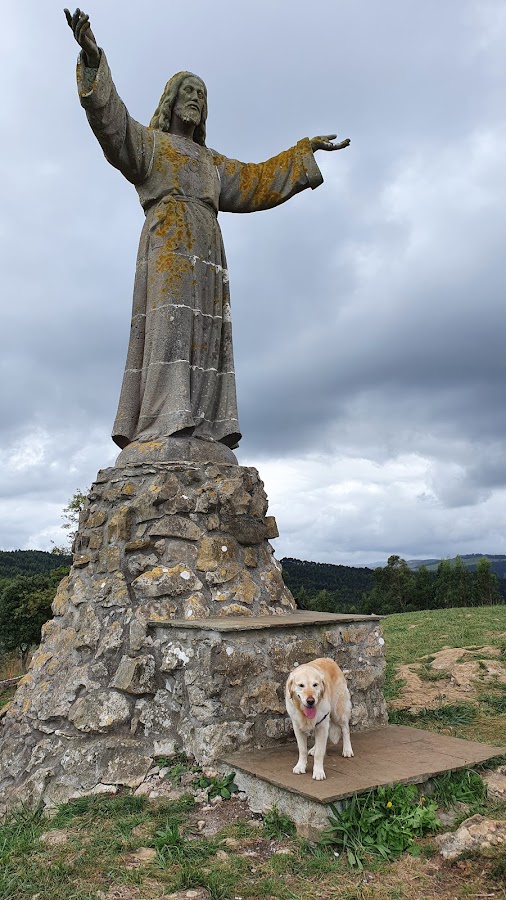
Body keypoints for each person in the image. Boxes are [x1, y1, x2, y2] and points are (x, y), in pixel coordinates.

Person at [65, 9, 350, 451]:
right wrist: (92, 59)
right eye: (189, 91)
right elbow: (113, 125)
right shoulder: (152, 145)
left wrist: (301, 154)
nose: (196, 98)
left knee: (207, 334)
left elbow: (255, 181)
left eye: (202, 94)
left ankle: (204, 427)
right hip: (169, 245)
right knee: (170, 328)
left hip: (209, 254)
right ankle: (162, 422)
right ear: (171, 100)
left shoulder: (210, 162)